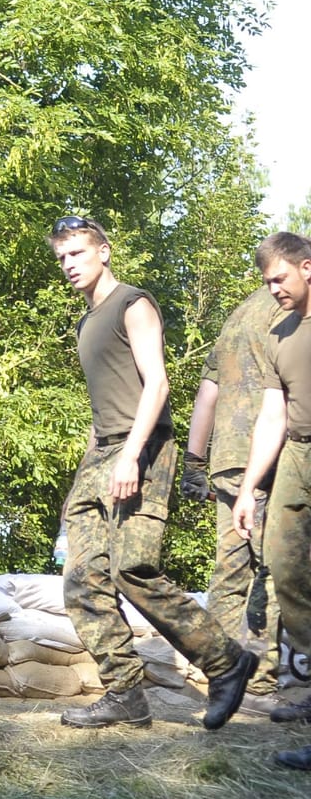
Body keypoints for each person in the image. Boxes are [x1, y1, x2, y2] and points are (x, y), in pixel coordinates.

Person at [49, 215, 255, 730]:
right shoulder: (84, 322)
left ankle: (226, 661)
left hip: (144, 449)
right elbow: (102, 413)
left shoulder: (132, 304)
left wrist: (131, 455)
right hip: (102, 453)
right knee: (81, 579)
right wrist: (81, 481)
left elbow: (157, 385)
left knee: (133, 568)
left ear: (104, 251)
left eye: (77, 253)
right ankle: (124, 693)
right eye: (62, 257)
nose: (69, 264)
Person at [185, 283, 286, 716]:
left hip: (227, 460)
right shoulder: (289, 315)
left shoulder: (235, 319)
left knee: (229, 572)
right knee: (277, 569)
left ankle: (224, 676)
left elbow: (206, 395)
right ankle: (262, 683)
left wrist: (193, 462)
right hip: (270, 458)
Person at [231, 232, 311, 765]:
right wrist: (248, 488)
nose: (273, 289)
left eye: (280, 278)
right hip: (298, 459)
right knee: (287, 572)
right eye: (266, 282)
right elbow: (273, 416)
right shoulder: (279, 332)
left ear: (308, 267)